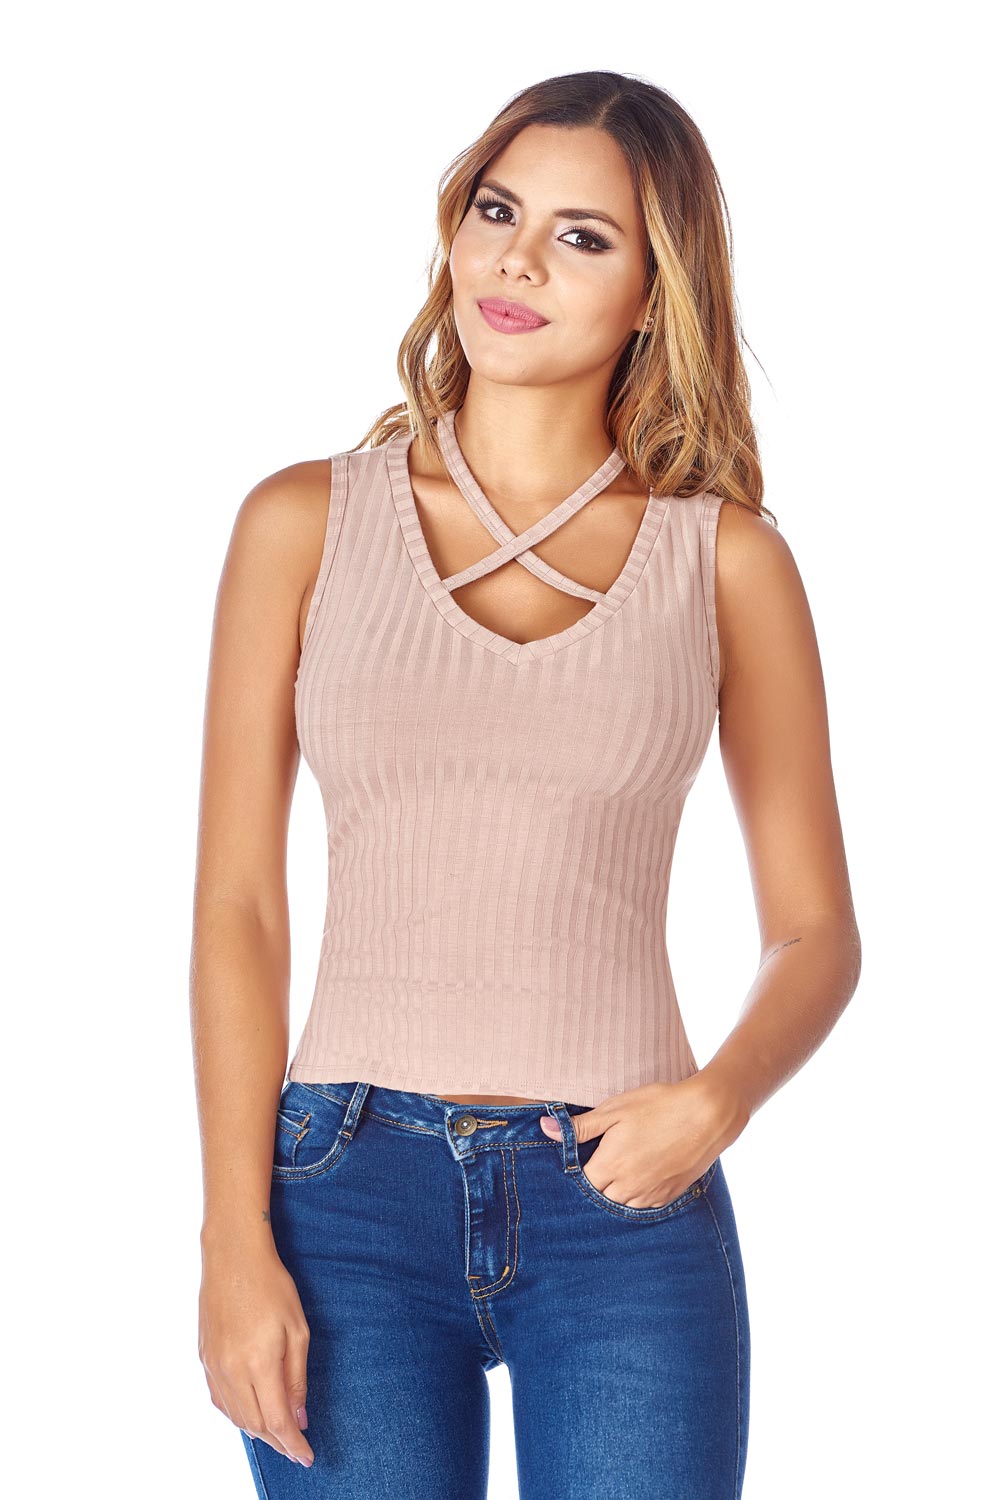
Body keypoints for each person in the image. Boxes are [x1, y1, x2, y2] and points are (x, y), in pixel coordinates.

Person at [191, 70, 861, 1500]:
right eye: (498, 213)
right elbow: (239, 906)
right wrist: (232, 1242)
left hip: (621, 1196)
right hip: (342, 1196)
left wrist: (716, 1102)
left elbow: (816, 930)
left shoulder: (727, 562)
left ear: (656, 293)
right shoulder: (302, 524)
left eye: (582, 237)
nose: (517, 262)